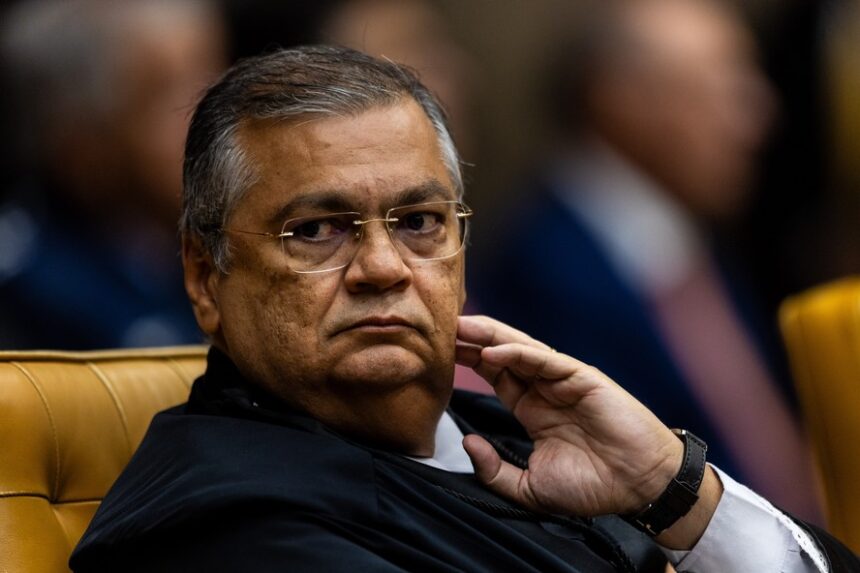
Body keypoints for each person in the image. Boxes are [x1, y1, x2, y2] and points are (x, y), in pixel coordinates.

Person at [70, 46, 857, 572]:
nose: (384, 267)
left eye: (419, 222)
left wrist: (673, 487)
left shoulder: (528, 439)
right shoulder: (221, 524)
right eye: (315, 230)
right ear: (205, 276)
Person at [472, 0, 821, 521]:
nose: (759, 116)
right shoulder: (545, 273)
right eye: (725, 85)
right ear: (622, 100)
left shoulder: (691, 240)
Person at [0, 0, 225, 349]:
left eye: (214, 76)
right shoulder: (30, 293)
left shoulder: (224, 239)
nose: (213, 117)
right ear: (81, 145)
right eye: (166, 94)